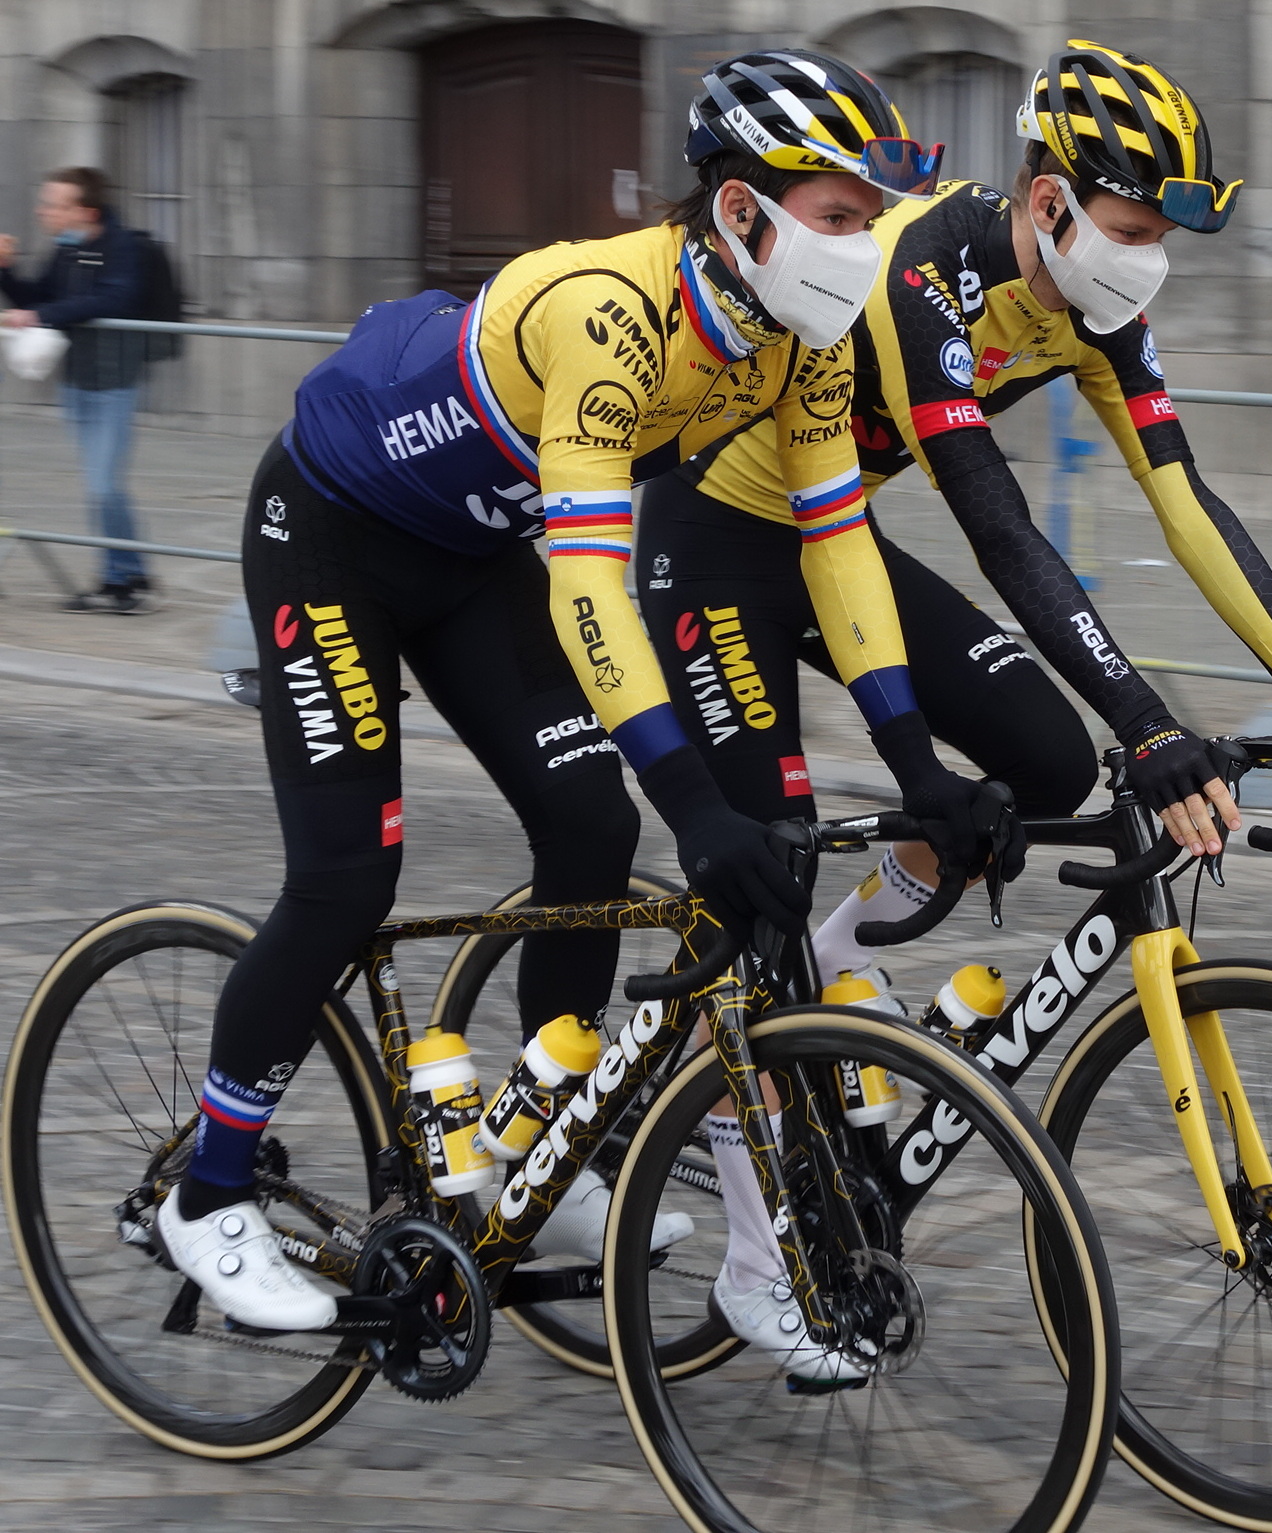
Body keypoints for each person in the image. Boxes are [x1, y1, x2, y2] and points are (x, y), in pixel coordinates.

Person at [153, 51, 977, 1376]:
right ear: (741, 215)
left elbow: (838, 542)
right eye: (840, 214)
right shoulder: (611, 310)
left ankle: (541, 1135)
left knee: (590, 827)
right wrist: (700, 804)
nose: (864, 243)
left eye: (872, 216)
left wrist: (912, 755)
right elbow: (593, 579)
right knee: (351, 873)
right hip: (331, 534)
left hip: (472, 560)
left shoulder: (797, 340)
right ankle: (211, 1188)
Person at [638, 38, 1272, 997]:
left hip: (835, 544)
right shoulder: (922, 268)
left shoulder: (1099, 310)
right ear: (1051, 205)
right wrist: (1145, 722)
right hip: (713, 543)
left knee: (1047, 765)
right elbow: (999, 528)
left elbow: (1187, 504)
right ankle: (701, 1112)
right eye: (1131, 234)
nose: (1148, 265)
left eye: (1161, 241)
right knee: (764, 871)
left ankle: (844, 955)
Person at [0, 168, 155, 614]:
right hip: (77, 381)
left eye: (53, 203)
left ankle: (126, 580)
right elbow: (35, 297)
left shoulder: (122, 246)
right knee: (100, 486)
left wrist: (42, 315)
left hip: (114, 382)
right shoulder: (67, 248)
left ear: (83, 210)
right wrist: (6, 271)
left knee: (105, 485)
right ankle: (125, 577)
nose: (42, 210)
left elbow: (113, 299)